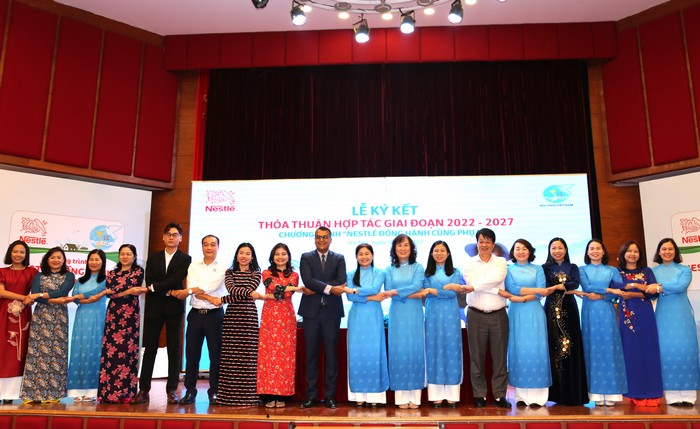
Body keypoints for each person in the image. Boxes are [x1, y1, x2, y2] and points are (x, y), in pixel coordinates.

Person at [133, 223, 192, 405]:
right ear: (163, 237)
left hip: (174, 308)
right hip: (155, 307)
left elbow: (176, 279)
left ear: (180, 238)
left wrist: (154, 288)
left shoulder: (185, 259)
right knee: (150, 348)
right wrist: (163, 290)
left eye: (175, 234)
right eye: (168, 234)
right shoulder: (153, 257)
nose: (171, 237)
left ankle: (171, 390)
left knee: (174, 349)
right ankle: (144, 390)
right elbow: (150, 279)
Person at [198, 242, 262, 406]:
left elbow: (243, 291)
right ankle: (228, 396)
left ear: (252, 257)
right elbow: (235, 290)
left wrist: (222, 300)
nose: (244, 256)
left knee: (248, 355)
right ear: (237, 255)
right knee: (230, 355)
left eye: (247, 253)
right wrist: (249, 294)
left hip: (248, 317)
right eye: (241, 253)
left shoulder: (256, 273)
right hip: (232, 316)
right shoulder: (229, 272)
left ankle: (248, 395)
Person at [171, 235, 227, 405]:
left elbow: (210, 287)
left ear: (218, 247)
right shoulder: (193, 266)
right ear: (202, 246)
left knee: (215, 355)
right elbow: (192, 287)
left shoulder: (223, 268)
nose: (209, 247)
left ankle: (214, 391)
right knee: (192, 355)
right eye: (205, 244)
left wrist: (191, 292)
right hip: (195, 314)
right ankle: (190, 391)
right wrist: (197, 292)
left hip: (215, 315)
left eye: (213, 244)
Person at [298, 227, 347, 409]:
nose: (321, 240)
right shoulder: (306, 257)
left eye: (325, 237)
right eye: (318, 237)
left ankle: (330, 396)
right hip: (311, 313)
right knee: (311, 355)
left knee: (331, 355)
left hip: (332, 313)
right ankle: (311, 396)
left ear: (330, 239)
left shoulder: (339, 258)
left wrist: (318, 287)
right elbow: (307, 280)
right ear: (314, 239)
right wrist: (330, 288)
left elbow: (341, 280)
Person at [462, 228, 510, 409]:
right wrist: (497, 290)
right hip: (475, 314)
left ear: (493, 244)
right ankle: (479, 395)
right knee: (477, 357)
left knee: (500, 358)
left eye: (487, 241)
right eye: (481, 241)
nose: (484, 245)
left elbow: (495, 278)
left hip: (498, 314)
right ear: (477, 243)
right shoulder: (468, 263)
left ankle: (499, 395)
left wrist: (477, 286)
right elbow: (473, 283)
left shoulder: (501, 262)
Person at [502, 238, 553, 407]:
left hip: (534, 312)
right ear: (513, 252)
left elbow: (541, 292)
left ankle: (539, 397)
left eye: (524, 248)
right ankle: (520, 396)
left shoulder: (538, 269)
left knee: (537, 350)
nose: (521, 251)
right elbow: (513, 289)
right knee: (519, 350)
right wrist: (535, 291)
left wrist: (523, 297)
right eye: (517, 249)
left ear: (530, 251)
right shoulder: (508, 269)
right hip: (516, 313)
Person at [21, 247, 75, 403]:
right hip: (41, 316)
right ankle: (31, 394)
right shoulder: (39, 275)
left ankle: (54, 394)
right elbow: (35, 295)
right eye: (52, 257)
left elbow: (62, 292)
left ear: (63, 260)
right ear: (47, 260)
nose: (56, 260)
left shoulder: (69, 275)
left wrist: (40, 294)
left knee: (57, 353)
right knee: (37, 353)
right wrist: (51, 299)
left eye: (59, 257)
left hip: (59, 318)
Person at [577, 238, 627, 406]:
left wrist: (602, 295)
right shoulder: (582, 270)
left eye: (598, 248)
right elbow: (587, 287)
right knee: (592, 348)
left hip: (607, 310)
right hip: (589, 312)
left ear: (603, 251)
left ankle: (613, 393)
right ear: (587, 252)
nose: (595, 251)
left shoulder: (613, 270)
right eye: (591, 248)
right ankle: (595, 394)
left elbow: (619, 290)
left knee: (610, 347)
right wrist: (608, 290)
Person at [651, 238, 700, 406]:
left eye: (670, 249)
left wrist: (659, 287)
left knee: (686, 352)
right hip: (662, 316)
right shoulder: (652, 271)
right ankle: (672, 395)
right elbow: (650, 292)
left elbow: (681, 287)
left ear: (676, 251)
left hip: (682, 316)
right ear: (659, 252)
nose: (667, 252)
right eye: (664, 249)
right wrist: (656, 288)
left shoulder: (684, 270)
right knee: (666, 352)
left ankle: (689, 394)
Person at [541, 237, 588, 406]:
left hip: (569, 309)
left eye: (560, 248)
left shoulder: (573, 267)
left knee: (572, 347)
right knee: (554, 347)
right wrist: (563, 287)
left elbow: (575, 283)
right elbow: (545, 286)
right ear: (549, 250)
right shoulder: (544, 268)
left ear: (566, 250)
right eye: (554, 248)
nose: (557, 251)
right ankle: (556, 394)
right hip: (552, 310)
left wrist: (558, 287)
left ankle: (573, 393)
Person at [616, 240, 663, 406]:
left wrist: (634, 289)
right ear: (623, 254)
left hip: (645, 315)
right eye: (629, 251)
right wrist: (641, 288)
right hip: (627, 317)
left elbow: (654, 292)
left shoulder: (647, 271)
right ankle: (633, 393)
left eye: (635, 251)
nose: (632, 254)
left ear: (640, 254)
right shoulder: (618, 271)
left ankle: (652, 392)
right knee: (630, 351)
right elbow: (617, 287)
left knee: (649, 350)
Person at [258, 243, 304, 408]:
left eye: (283, 254)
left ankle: (282, 395)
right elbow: (272, 287)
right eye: (277, 254)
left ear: (288, 256)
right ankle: (268, 395)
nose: (280, 257)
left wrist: (270, 294)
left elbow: (286, 294)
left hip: (286, 317)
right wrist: (291, 288)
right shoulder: (266, 273)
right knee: (268, 354)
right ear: (272, 256)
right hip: (269, 316)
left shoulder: (294, 274)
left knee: (285, 356)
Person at [97, 244, 145, 403]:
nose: (125, 257)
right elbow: (111, 292)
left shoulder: (138, 271)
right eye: (122, 254)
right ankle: (107, 393)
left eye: (128, 254)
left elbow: (119, 290)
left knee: (127, 352)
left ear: (134, 256)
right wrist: (127, 291)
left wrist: (118, 292)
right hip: (113, 315)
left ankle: (126, 394)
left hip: (130, 315)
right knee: (110, 352)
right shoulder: (111, 273)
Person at [385, 234, 426, 409]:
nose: (403, 248)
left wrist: (397, 292)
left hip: (414, 313)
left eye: (406, 245)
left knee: (415, 350)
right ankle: (401, 396)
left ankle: (415, 396)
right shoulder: (388, 269)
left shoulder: (418, 267)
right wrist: (414, 294)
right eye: (399, 245)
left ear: (412, 248)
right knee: (399, 351)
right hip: (397, 314)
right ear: (394, 249)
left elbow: (417, 286)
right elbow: (388, 291)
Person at [423, 240, 465, 408]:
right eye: (436, 250)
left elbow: (452, 294)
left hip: (450, 315)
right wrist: (442, 290)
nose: (439, 253)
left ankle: (452, 395)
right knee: (434, 349)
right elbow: (426, 292)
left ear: (448, 254)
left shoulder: (455, 272)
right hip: (432, 314)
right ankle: (436, 396)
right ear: (431, 254)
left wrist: (434, 291)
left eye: (442, 250)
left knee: (451, 349)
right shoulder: (426, 273)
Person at [346, 243, 389, 408]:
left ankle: (375, 396)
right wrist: (371, 297)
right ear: (356, 257)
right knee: (357, 354)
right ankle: (359, 395)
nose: (364, 257)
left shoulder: (380, 272)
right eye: (361, 254)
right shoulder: (350, 274)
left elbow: (374, 288)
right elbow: (350, 298)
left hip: (373, 317)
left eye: (367, 254)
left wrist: (355, 291)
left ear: (372, 255)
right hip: (356, 317)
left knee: (374, 352)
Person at [67, 249, 112, 402]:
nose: (93, 262)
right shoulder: (80, 280)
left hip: (98, 317)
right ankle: (76, 391)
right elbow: (75, 298)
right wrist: (87, 299)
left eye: (97, 259)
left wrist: (85, 298)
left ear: (102, 262)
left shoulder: (106, 280)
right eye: (91, 259)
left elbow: (96, 292)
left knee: (95, 350)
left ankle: (93, 390)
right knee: (79, 350)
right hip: (81, 318)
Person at [0, 240, 37, 403]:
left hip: (23, 315)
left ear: (26, 254)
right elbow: (1, 292)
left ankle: (12, 394)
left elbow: (38, 291)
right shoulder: (2, 271)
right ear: (10, 253)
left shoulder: (32, 272)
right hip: (4, 312)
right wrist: (24, 297)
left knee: (20, 351)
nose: (18, 254)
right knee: (3, 349)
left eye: (22, 252)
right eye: (15, 251)